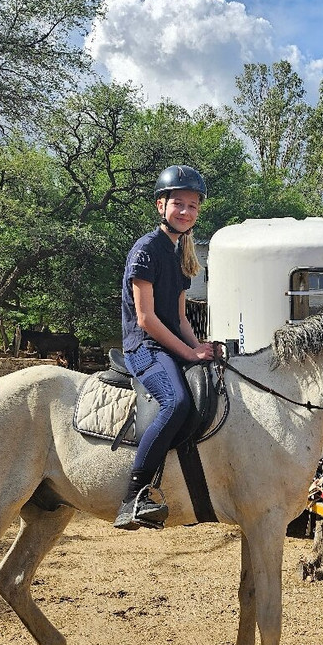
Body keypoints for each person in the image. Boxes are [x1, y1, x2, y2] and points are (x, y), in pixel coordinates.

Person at [113, 165, 215, 530]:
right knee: (177, 401)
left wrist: (199, 347)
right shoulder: (146, 250)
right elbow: (147, 319)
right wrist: (188, 354)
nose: (186, 211)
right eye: (179, 204)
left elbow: (180, 319)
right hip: (145, 348)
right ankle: (134, 496)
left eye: (193, 205)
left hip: (169, 346)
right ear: (161, 205)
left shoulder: (182, 255)